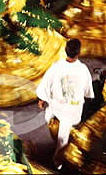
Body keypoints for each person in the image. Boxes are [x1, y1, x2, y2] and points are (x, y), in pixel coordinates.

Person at [37, 38, 95, 169]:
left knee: (50, 111)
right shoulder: (83, 69)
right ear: (78, 52)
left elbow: (46, 83)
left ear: (65, 51)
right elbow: (88, 92)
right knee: (63, 136)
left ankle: (55, 158)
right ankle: (58, 160)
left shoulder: (56, 66)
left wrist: (41, 98)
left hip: (57, 106)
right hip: (72, 111)